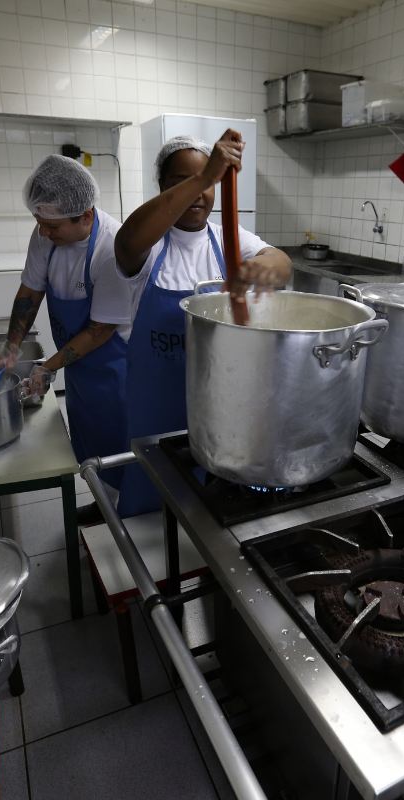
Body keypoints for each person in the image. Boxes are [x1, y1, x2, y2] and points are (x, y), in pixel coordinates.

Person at [112, 130, 293, 516]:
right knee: (153, 488)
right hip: (157, 399)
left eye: (209, 185)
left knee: (214, 493)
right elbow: (127, 244)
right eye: (183, 183)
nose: (199, 194)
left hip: (219, 395)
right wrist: (206, 175)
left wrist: (267, 266)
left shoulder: (227, 237)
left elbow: (280, 261)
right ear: (163, 188)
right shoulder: (152, 242)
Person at [0, 155, 132, 514]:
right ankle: (105, 504)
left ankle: (130, 512)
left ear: (85, 215)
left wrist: (48, 366)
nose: (44, 233)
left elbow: (99, 330)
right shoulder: (46, 233)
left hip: (116, 367)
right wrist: (11, 347)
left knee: (119, 443)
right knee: (87, 437)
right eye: (40, 224)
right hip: (80, 365)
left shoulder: (113, 248)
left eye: (52, 227)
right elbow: (30, 292)